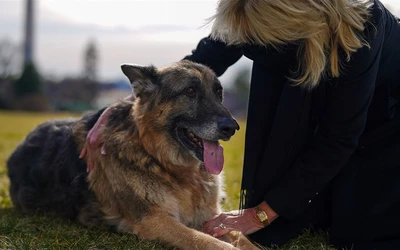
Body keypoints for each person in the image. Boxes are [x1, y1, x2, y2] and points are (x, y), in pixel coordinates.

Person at [81, 0, 400, 249]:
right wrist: (124, 107)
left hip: (384, 117)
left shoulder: (363, 25)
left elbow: (339, 136)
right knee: (290, 223)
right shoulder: (248, 14)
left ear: (295, 23)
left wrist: (259, 214)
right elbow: (189, 70)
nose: (250, 42)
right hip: (309, 94)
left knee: (361, 233)